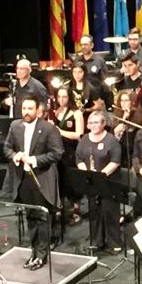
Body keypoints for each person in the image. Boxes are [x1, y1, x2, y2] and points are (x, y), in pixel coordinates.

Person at [3, 95, 63, 269]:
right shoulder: (15, 126)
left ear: (37, 110)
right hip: (23, 179)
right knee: (30, 215)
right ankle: (34, 251)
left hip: (42, 178)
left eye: (30, 108)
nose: (26, 112)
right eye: (24, 108)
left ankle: (41, 255)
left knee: (42, 217)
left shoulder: (48, 128)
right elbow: (7, 148)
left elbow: (57, 153)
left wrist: (35, 160)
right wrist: (16, 156)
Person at [75, 111, 122, 252]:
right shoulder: (84, 139)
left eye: (96, 122)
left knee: (109, 211)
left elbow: (115, 160)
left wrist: (100, 176)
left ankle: (114, 243)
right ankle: (96, 241)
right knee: (94, 212)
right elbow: (79, 158)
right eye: (90, 123)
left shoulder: (111, 140)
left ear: (103, 124)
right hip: (92, 183)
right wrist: (87, 173)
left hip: (108, 182)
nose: (93, 125)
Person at [50, 87, 84, 235]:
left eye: (64, 97)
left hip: (71, 151)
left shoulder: (76, 113)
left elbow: (79, 135)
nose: (61, 100)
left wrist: (60, 131)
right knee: (60, 180)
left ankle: (76, 210)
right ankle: (61, 208)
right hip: (58, 151)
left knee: (71, 182)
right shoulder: (55, 112)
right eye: (59, 97)